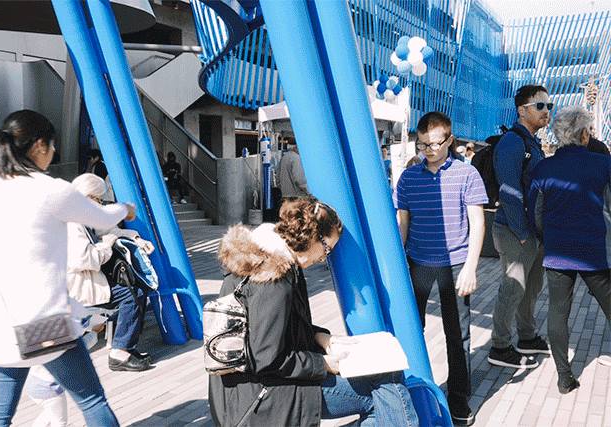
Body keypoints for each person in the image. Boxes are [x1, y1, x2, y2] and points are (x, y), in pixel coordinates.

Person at [0, 109, 135, 426]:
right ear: (39, 146)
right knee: (92, 401)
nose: (54, 152)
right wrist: (126, 209)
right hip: (40, 323)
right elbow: (101, 217)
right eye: (52, 145)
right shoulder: (50, 189)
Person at [209, 197, 420, 427]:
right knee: (385, 394)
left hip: (250, 389)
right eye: (326, 249)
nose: (322, 258)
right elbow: (266, 357)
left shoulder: (268, 258)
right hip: (260, 398)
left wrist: (320, 337)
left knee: (389, 384)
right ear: (311, 235)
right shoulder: (273, 277)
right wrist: (325, 364)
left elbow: (275, 329)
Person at [396, 111, 487, 426]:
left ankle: (458, 397)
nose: (429, 150)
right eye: (422, 145)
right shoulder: (408, 177)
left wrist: (471, 267)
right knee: (410, 328)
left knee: (457, 334)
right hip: (418, 261)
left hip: (455, 263)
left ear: (450, 139)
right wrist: (399, 265)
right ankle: (411, 390)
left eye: (435, 144)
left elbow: (477, 223)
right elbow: (403, 223)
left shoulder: (467, 174)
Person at [527, 105, 611, 394]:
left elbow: (535, 212)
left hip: (557, 251)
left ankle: (564, 376)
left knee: (558, 311)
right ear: (585, 134)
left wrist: (546, 235)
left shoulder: (544, 167)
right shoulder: (604, 165)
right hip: (594, 252)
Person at [488, 84, 552, 369]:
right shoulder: (513, 142)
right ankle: (500, 347)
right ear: (521, 110)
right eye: (540, 106)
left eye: (549, 106)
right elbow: (509, 192)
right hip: (515, 231)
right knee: (513, 289)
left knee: (531, 289)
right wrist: (524, 233)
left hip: (532, 232)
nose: (546, 111)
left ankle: (527, 337)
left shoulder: (532, 142)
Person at [67, 173, 155, 372]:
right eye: (98, 199)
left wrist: (137, 239)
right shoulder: (73, 224)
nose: (99, 204)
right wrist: (106, 246)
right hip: (79, 285)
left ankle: (125, 347)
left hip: (87, 279)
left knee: (136, 290)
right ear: (88, 196)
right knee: (132, 294)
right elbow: (85, 259)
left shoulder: (79, 217)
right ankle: (120, 352)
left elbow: (109, 230)